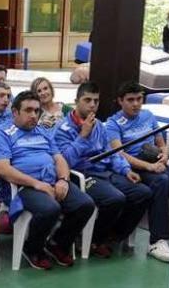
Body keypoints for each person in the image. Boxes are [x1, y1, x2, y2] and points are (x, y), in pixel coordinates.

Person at [105, 81, 169, 262]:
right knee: (161, 182)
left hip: (157, 163)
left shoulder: (148, 115)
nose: (136, 103)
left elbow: (160, 142)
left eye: (139, 99)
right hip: (135, 168)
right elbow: (120, 154)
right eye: (130, 100)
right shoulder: (113, 124)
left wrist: (165, 155)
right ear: (120, 101)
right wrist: (148, 167)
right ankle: (157, 241)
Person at [0, 90, 96, 269]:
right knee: (50, 208)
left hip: (52, 182)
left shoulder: (43, 132)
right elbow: (3, 169)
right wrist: (37, 184)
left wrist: (63, 179)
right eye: (28, 110)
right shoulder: (2, 134)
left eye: (36, 110)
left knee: (85, 204)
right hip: (25, 187)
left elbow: (59, 159)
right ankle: (33, 248)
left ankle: (58, 244)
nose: (34, 115)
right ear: (15, 112)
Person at [55, 81, 151, 258]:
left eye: (96, 101)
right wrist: (83, 136)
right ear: (76, 101)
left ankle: (110, 236)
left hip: (106, 172)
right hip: (82, 175)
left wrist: (125, 169)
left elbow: (111, 152)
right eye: (87, 100)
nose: (92, 105)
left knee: (142, 193)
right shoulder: (63, 128)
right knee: (115, 198)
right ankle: (93, 239)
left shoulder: (99, 125)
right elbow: (65, 161)